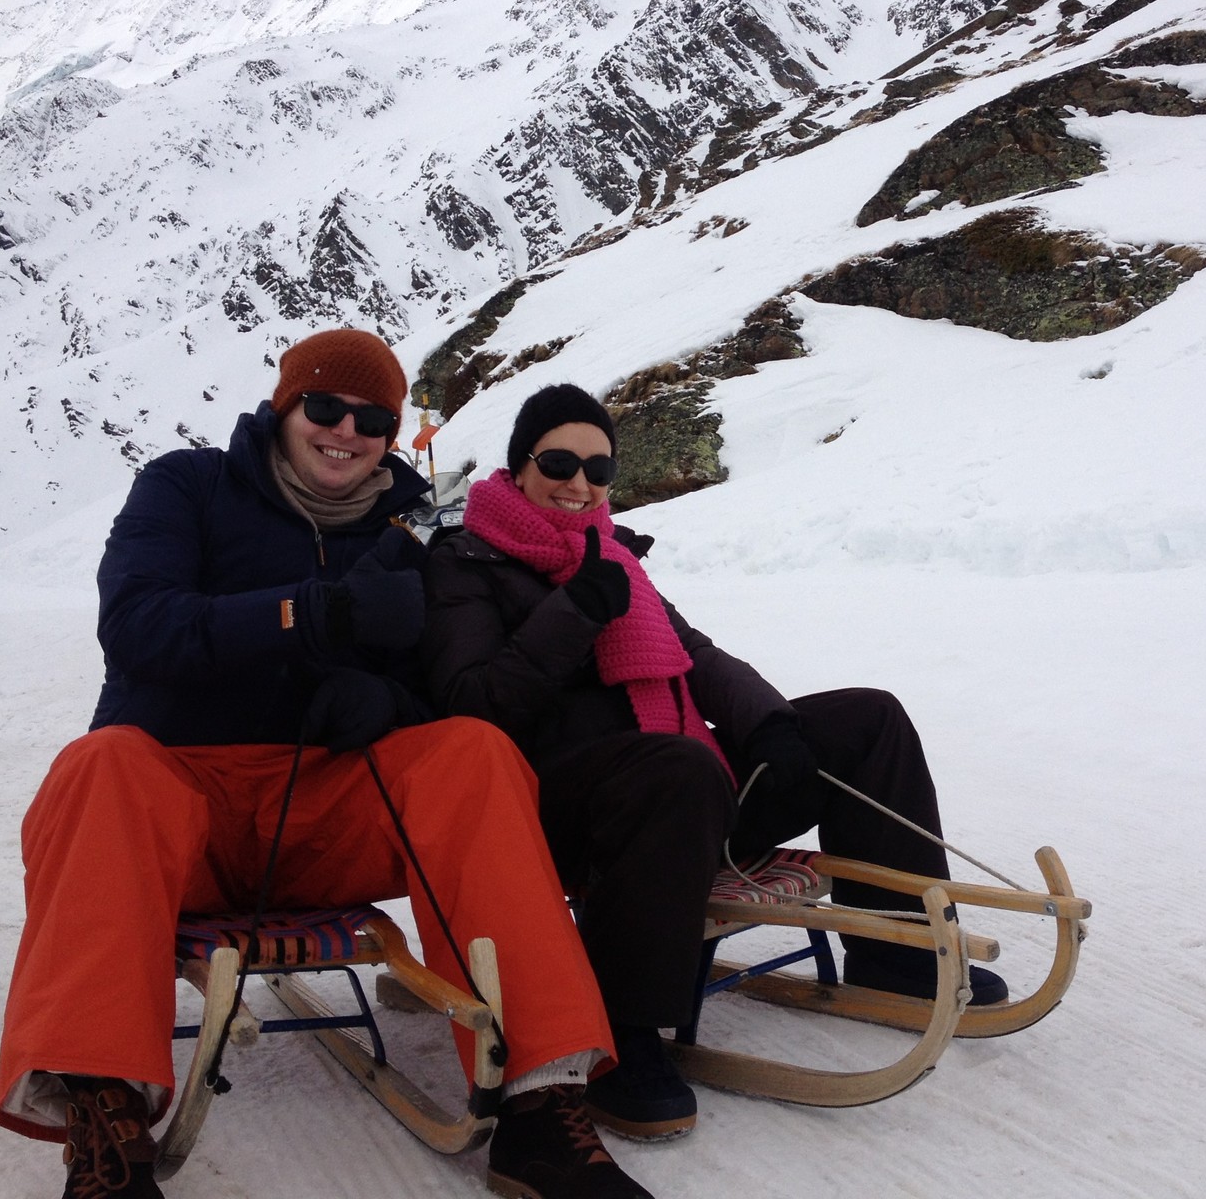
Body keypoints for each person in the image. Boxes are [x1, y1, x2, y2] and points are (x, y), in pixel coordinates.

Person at [0, 332, 652, 1199]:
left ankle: (540, 1106)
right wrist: (304, 615)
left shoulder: (418, 524)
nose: (347, 430)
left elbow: (450, 682)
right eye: (325, 407)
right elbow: (138, 625)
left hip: (330, 813)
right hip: (178, 813)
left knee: (472, 754)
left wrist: (391, 705)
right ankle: (103, 1113)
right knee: (98, 766)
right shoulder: (188, 485)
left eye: (373, 419)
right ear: (285, 407)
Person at [420, 383, 1005, 1141]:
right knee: (677, 771)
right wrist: (574, 613)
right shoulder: (465, 562)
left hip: (678, 789)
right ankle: (621, 1032)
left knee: (869, 718)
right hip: (557, 810)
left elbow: (693, 653)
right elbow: (474, 706)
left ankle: (896, 957)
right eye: (559, 462)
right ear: (519, 465)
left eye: (599, 469)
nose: (580, 483)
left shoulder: (610, 557)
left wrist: (771, 724)